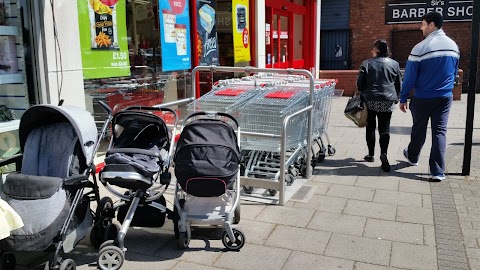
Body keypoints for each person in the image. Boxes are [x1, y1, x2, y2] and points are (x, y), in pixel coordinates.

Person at [399, 11, 460, 181]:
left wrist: (403, 98)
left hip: (423, 97)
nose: (421, 27)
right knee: (439, 132)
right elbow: (455, 73)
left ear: (431, 24)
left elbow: (409, 77)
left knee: (419, 128)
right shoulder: (454, 46)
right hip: (444, 97)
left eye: (423, 24)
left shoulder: (420, 47)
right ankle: (438, 171)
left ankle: (412, 157)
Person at [357, 39, 402, 172]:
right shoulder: (394, 64)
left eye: (373, 49)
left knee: (370, 127)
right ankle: (384, 154)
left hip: (370, 100)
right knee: (384, 128)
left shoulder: (366, 64)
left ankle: (371, 155)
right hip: (388, 100)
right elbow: (399, 83)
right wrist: (397, 97)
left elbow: (360, 84)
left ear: (376, 50)